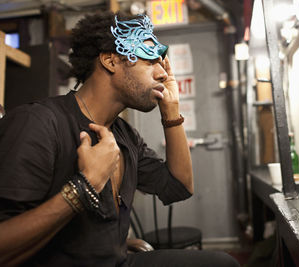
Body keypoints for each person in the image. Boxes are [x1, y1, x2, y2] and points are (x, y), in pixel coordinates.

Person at [0, 11, 239, 267]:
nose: (163, 74)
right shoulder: (39, 123)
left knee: (223, 264)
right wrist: (84, 187)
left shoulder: (124, 135)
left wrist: (171, 112)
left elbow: (178, 187)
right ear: (110, 61)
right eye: (150, 59)